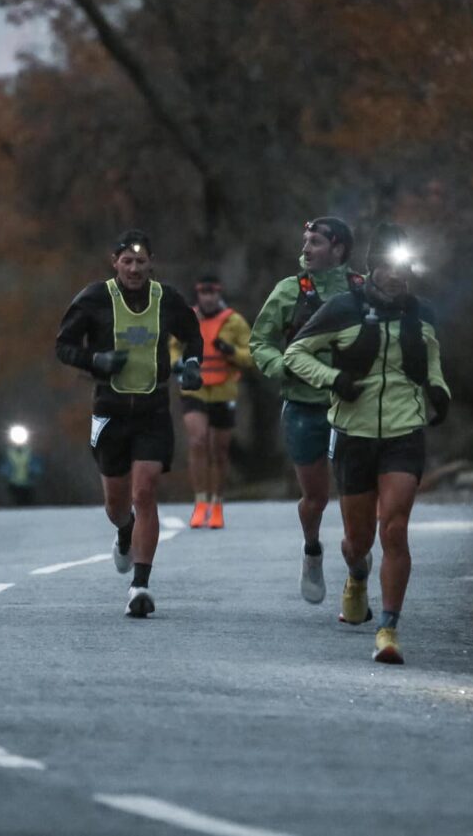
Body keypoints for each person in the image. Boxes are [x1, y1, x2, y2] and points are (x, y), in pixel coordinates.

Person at [282, 223, 450, 665]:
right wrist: (334, 379)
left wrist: (438, 389)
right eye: (391, 268)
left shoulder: (422, 312)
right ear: (374, 267)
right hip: (353, 434)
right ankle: (357, 575)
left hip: (404, 432)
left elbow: (430, 359)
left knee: (395, 529)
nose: (399, 277)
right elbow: (295, 354)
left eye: (405, 268)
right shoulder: (343, 308)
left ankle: (389, 628)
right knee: (359, 540)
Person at [56, 229, 204, 617]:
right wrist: (96, 361)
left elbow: (193, 337)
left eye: (141, 262)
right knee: (117, 504)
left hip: (153, 411)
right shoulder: (93, 299)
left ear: (151, 263)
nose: (134, 269)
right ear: (115, 262)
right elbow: (64, 346)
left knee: (146, 492)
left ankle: (140, 584)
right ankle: (124, 530)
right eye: (127, 261)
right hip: (110, 411)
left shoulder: (167, 299)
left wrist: (191, 365)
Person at [248, 217, 364, 604]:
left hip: (353, 405)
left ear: (339, 250)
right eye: (305, 241)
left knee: (355, 496)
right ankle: (312, 550)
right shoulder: (290, 290)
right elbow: (260, 340)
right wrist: (282, 366)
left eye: (315, 242)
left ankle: (356, 573)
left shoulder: (361, 290)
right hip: (304, 406)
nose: (306, 249)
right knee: (316, 497)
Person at [171, 274, 255, 529]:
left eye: (212, 292)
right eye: (203, 292)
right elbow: (173, 345)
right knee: (197, 441)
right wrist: (178, 363)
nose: (208, 297)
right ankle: (200, 502)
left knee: (219, 449)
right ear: (197, 294)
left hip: (223, 390)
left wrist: (231, 351)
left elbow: (251, 354)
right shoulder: (188, 317)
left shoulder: (234, 321)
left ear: (219, 293)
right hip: (194, 389)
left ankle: (217, 503)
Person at [0, 425, 44, 507]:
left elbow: (38, 467)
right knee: (14, 505)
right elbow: (2, 468)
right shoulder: (7, 453)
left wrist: (33, 472)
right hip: (12, 484)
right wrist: (5, 475)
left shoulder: (31, 452)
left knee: (27, 505)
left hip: (28, 484)